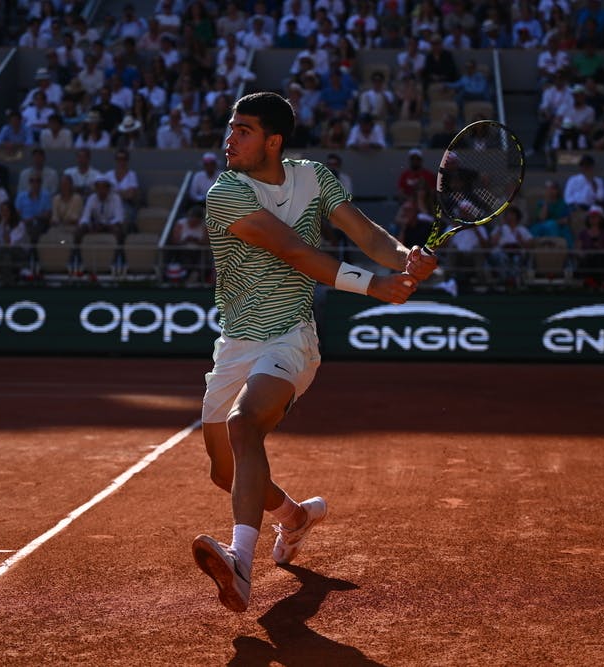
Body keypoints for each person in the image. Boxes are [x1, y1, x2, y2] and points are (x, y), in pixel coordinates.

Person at [191, 91, 436, 613]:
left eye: (243, 131)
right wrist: (374, 286)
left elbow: (368, 236)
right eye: (230, 129)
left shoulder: (315, 177)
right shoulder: (225, 192)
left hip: (290, 335)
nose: (228, 140)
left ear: (273, 141)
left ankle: (240, 562)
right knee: (223, 472)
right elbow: (293, 250)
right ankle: (294, 516)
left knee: (245, 424)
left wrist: (403, 258)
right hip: (236, 339)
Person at [575, 204, 604, 284]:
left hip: (601, 261)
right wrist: (583, 254)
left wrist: (599, 247)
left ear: (601, 219)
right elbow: (578, 250)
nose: (593, 219)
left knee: (598, 259)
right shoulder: (582, 233)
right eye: (591, 216)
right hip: (586, 260)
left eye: (595, 216)